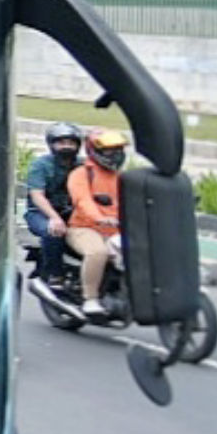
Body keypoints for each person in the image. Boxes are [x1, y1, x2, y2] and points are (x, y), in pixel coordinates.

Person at [63, 125, 129, 319]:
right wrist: (100, 218)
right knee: (97, 252)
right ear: (95, 151)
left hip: (115, 230)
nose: (115, 154)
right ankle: (90, 299)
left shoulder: (121, 178)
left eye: (118, 149)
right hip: (84, 228)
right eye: (109, 150)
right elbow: (82, 201)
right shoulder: (81, 174)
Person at [22, 122, 82, 285]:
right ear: (51, 144)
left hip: (72, 211)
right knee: (53, 231)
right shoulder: (41, 165)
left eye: (71, 143)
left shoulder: (83, 166)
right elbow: (37, 196)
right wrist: (54, 218)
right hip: (40, 213)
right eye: (61, 143)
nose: (67, 147)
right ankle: (54, 274)